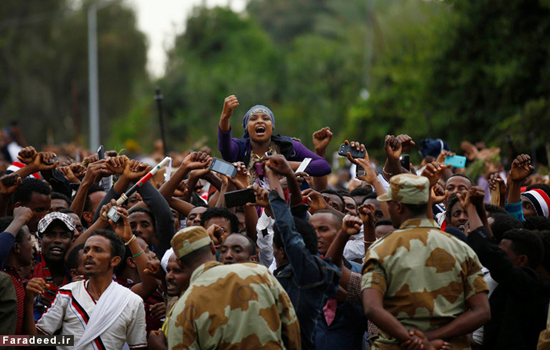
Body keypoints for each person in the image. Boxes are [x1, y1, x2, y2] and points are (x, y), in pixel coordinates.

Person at [362, 173, 490, 349]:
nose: (388, 208)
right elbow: (482, 311)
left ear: (398, 207)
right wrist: (431, 338)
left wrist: (413, 340)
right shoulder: (461, 248)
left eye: (389, 203)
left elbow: (371, 308)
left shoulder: (380, 249)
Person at [165, 225, 301, 349]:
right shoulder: (259, 273)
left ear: (180, 264)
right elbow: (291, 330)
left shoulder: (182, 308)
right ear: (213, 248)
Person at [24, 229, 147, 349]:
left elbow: (137, 346)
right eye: (86, 250)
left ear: (114, 260)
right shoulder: (67, 293)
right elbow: (34, 343)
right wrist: (29, 301)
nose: (88, 254)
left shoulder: (131, 301)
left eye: (97, 250)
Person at [459, 187, 550, 350]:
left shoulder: (531, 285)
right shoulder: (524, 278)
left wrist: (471, 210)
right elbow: (492, 245)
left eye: (502, 253)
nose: (498, 254)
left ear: (522, 260)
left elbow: (490, 254)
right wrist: (479, 209)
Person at [217, 95, 331, 186]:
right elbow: (225, 149)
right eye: (253, 119)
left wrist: (287, 165)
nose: (260, 121)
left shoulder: (288, 146)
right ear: (247, 128)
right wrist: (225, 117)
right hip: (249, 209)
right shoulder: (240, 147)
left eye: (266, 118)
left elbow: (323, 166)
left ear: (272, 127)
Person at [31, 211, 75, 320]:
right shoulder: (28, 265)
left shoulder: (79, 271)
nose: (57, 240)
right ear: (40, 241)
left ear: (72, 241)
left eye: (64, 235)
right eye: (50, 235)